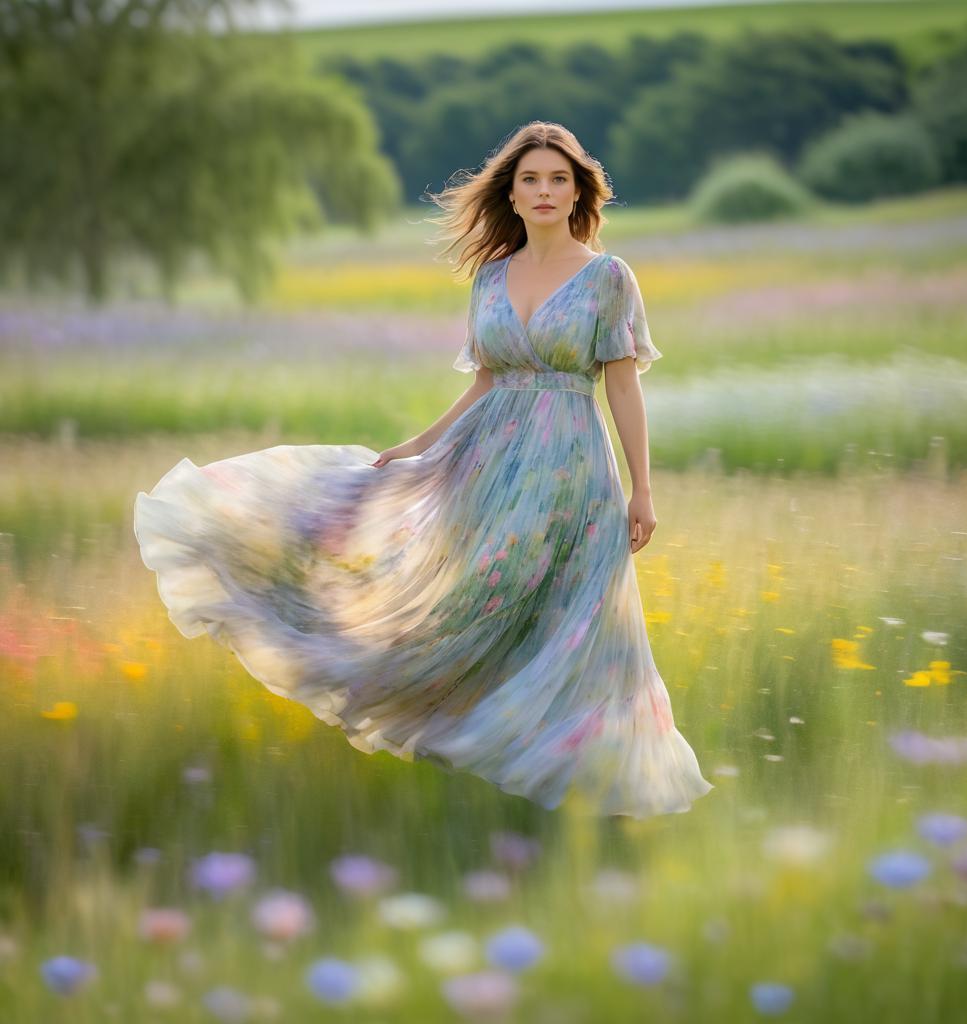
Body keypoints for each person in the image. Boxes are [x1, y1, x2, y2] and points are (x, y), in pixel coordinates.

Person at [134, 121, 714, 818]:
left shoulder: (607, 278)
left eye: (559, 178)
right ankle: (481, 756)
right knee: (471, 603)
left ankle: (594, 784)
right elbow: (486, 382)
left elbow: (622, 384)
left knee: (578, 621)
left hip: (572, 470)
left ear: (578, 190)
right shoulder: (492, 276)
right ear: (511, 190)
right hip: (488, 460)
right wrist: (418, 443)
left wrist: (643, 489)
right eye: (530, 178)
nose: (544, 191)